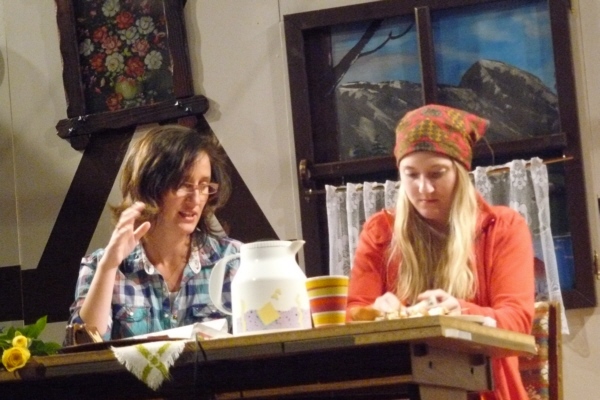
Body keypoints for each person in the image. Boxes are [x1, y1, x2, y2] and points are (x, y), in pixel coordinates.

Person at [346, 104, 534, 400]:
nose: (424, 189)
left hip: (485, 390)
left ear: (460, 171)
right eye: (411, 175)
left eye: (437, 173)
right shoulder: (380, 232)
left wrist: (460, 312)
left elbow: (518, 323)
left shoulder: (503, 227)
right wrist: (372, 312)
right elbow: (352, 316)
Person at [66, 124, 241, 340]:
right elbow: (85, 347)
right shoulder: (100, 265)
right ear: (150, 186)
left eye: (204, 186)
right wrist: (109, 266)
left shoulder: (232, 260)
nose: (196, 199)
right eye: (183, 185)